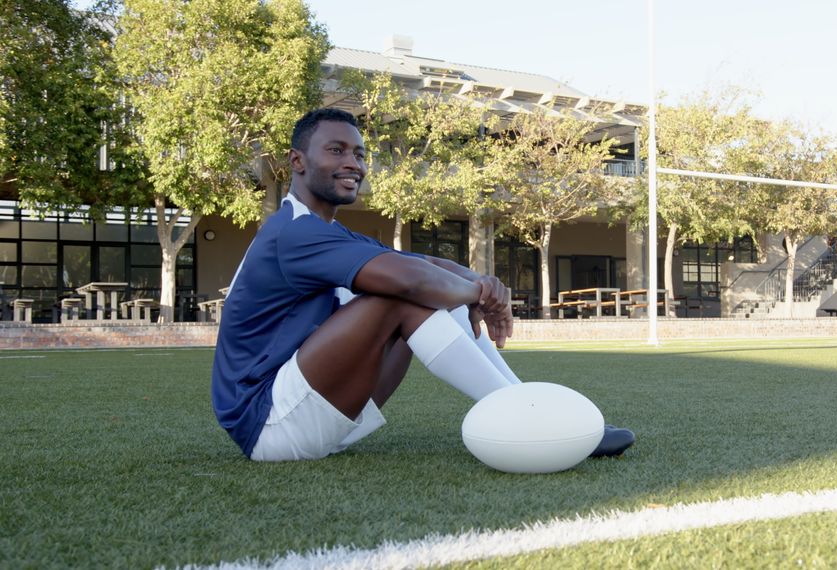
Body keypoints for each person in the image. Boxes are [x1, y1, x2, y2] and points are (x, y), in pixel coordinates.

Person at [211, 108, 635, 462]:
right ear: (297, 161)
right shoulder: (293, 232)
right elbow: (413, 280)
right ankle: (532, 416)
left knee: (425, 288)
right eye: (336, 150)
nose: (353, 163)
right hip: (268, 424)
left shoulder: (328, 231)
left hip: (316, 413)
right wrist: (479, 294)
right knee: (403, 296)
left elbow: (426, 262)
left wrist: (483, 284)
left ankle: (526, 404)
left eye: (359, 154)